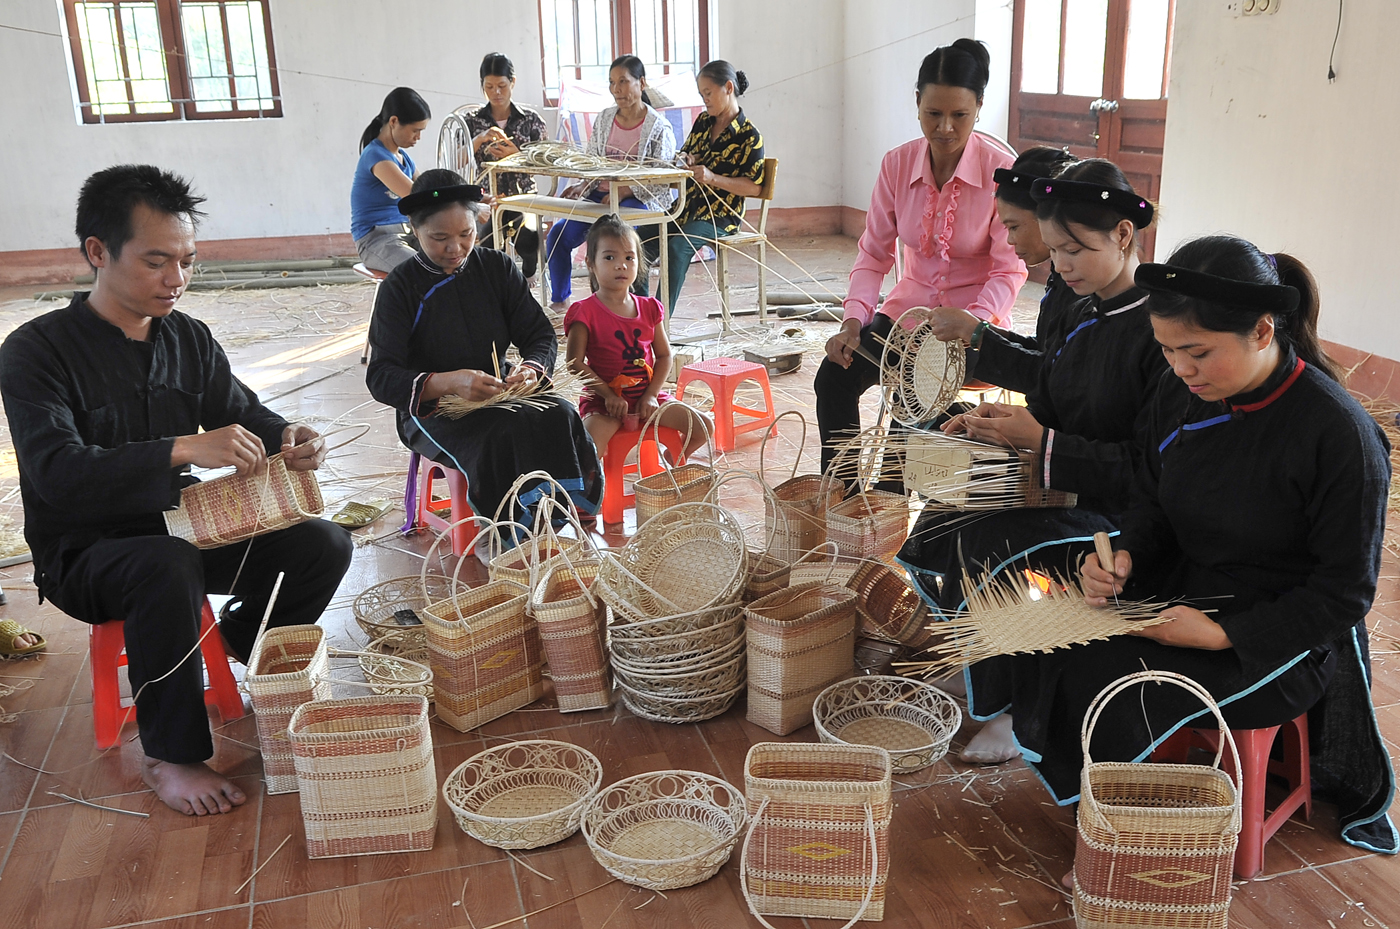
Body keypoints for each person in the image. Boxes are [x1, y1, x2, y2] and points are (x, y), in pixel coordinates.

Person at [0, 165, 352, 816]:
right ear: (97, 252)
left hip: (180, 527)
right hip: (84, 551)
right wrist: (184, 447)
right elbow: (58, 472)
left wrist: (289, 438)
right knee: (166, 565)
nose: (176, 279)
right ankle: (173, 754)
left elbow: (241, 410)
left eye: (188, 261)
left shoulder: (186, 336)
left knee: (322, 543)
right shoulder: (35, 351)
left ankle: (233, 645)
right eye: (157, 261)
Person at [1059, 238, 1395, 855]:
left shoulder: (1340, 435)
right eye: (1166, 350)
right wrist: (1128, 555)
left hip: (1281, 637)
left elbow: (1344, 592)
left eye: (1198, 352)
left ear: (1263, 330)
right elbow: (1153, 501)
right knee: (1061, 644)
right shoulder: (1178, 393)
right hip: (1190, 587)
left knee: (1123, 687)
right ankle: (1110, 818)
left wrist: (1225, 634)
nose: (1181, 369)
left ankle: (1132, 852)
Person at [896, 160, 1168, 763]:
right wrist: (999, 428)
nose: (1059, 263)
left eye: (1073, 249)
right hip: (1063, 474)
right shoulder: (1083, 303)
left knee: (1003, 544)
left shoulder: (1156, 331)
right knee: (948, 511)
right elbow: (1051, 387)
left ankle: (1017, 706)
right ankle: (981, 661)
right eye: (1055, 248)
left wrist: (1043, 442)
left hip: (1120, 509)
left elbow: (1148, 468)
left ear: (1124, 236)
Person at [817, 40, 1026, 472]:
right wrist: (854, 320)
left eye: (959, 115)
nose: (945, 128)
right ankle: (843, 494)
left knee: (918, 388)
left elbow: (1009, 270)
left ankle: (891, 504)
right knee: (834, 373)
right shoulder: (897, 165)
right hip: (905, 320)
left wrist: (973, 322)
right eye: (934, 113)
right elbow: (873, 254)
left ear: (980, 107)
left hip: (972, 328)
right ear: (917, 103)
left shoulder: (1002, 172)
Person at [366, 169, 602, 535]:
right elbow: (381, 376)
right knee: (501, 432)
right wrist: (450, 383)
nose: (455, 248)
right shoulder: (400, 288)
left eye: (466, 234)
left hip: (498, 389)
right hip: (433, 410)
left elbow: (539, 334)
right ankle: (510, 529)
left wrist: (531, 368)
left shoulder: (496, 268)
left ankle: (559, 514)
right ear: (415, 230)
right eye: (439, 238)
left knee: (558, 413)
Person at [563, 214, 710, 499]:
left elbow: (665, 356)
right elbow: (574, 363)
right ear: (590, 264)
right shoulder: (584, 312)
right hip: (604, 402)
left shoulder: (649, 308)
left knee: (704, 426)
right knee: (587, 448)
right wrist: (608, 395)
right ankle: (587, 499)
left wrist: (652, 395)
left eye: (630, 258)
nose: (621, 265)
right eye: (609, 257)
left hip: (647, 398)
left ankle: (672, 459)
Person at [924, 145, 1079, 394]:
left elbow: (1051, 378)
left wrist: (975, 331)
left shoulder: (1084, 290)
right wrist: (976, 328)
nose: (1009, 240)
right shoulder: (1061, 277)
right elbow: (1044, 352)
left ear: (1049, 217)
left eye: (1014, 227)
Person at [544, 56, 677, 312]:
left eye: (624, 82)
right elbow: (593, 162)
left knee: (615, 240)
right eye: (612, 83)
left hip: (639, 199)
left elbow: (662, 177)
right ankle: (560, 301)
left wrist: (626, 189)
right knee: (558, 234)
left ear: (642, 84)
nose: (617, 89)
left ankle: (626, 306)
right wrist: (582, 186)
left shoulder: (659, 127)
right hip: (599, 196)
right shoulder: (605, 118)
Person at [654, 59, 766, 314]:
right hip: (684, 208)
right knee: (638, 240)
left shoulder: (750, 136)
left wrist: (713, 178)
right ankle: (635, 317)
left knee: (677, 247)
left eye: (708, 93)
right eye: (701, 94)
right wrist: (685, 160)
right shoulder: (704, 122)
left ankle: (658, 326)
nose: (705, 100)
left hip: (720, 217)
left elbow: (755, 187)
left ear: (728, 88)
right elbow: (685, 152)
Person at [465, 53, 547, 278]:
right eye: (489, 86)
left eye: (502, 85)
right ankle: (497, 287)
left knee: (530, 239)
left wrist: (517, 155)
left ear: (513, 82)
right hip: (487, 199)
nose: (496, 92)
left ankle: (528, 276)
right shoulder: (472, 121)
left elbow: (546, 162)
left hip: (524, 197)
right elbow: (458, 159)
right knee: (488, 243)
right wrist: (480, 138)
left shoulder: (531, 120)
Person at [352, 87, 431, 272]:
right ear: (394, 121)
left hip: (408, 234)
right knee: (422, 271)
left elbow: (427, 189)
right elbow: (417, 198)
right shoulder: (376, 156)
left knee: (452, 260)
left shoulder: (403, 158)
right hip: (377, 240)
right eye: (415, 130)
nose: (418, 137)